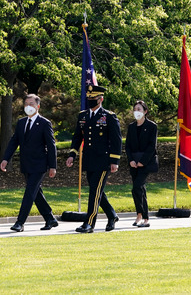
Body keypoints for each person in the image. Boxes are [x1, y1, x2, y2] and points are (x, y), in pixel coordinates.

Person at [67, 85, 122, 233]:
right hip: (89, 159)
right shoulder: (83, 116)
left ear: (101, 99)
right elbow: (77, 137)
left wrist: (114, 161)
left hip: (103, 160)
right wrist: (72, 154)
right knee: (96, 190)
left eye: (94, 99)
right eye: (89, 98)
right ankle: (112, 215)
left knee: (94, 192)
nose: (91, 101)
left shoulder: (109, 116)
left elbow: (116, 140)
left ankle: (89, 223)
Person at [0, 94, 58, 232]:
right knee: (36, 192)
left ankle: (20, 222)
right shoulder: (21, 122)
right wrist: (5, 159)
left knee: (29, 192)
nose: (28, 106)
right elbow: (14, 141)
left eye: (31, 104)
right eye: (26, 104)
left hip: (39, 164)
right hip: (26, 164)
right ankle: (50, 219)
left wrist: (53, 166)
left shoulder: (45, 123)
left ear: (38, 106)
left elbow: (51, 146)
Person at [125, 100, 158, 228]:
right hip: (133, 163)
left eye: (139, 109)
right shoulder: (131, 127)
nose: (136, 111)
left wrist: (142, 161)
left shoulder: (152, 126)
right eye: (135, 109)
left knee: (137, 187)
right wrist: (131, 160)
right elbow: (127, 146)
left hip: (146, 163)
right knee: (139, 189)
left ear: (145, 111)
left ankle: (145, 217)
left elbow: (151, 146)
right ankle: (140, 215)